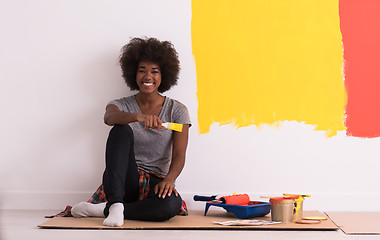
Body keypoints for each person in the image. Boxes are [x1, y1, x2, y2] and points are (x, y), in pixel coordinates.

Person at [71, 37, 191, 227]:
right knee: (120, 129)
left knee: (170, 206)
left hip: (156, 181)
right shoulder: (122, 105)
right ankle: (116, 203)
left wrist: (169, 180)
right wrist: (137, 117)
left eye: (154, 71)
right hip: (126, 180)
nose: (148, 76)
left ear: (164, 75)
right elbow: (109, 117)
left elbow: (179, 153)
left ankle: (104, 209)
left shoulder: (177, 110)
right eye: (142, 70)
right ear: (133, 74)